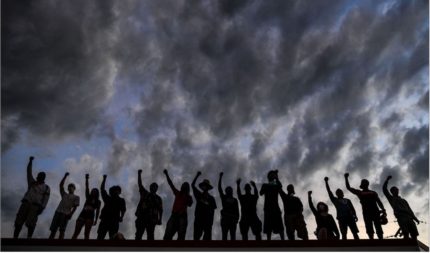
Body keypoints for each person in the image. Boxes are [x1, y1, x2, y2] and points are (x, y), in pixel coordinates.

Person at [14, 156, 50, 239]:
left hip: (35, 206)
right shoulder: (32, 182)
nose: (41, 176)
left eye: (42, 176)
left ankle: (29, 238)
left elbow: (45, 199)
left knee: (31, 223)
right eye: (40, 175)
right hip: (26, 203)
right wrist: (30, 161)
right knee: (19, 221)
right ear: (38, 176)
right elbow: (28, 172)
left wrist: (42, 208)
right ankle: (15, 237)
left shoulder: (46, 187)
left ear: (44, 178)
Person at [344, 173, 386, 239]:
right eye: (363, 183)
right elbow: (348, 188)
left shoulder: (373, 192)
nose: (364, 184)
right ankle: (371, 241)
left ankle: (380, 240)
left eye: (365, 183)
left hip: (375, 211)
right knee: (369, 227)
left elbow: (379, 202)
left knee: (378, 227)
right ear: (362, 185)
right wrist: (346, 178)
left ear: (367, 184)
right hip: (367, 213)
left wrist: (383, 209)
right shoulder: (360, 192)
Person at [383, 175, 419, 240]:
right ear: (392, 192)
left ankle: (415, 247)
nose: (397, 191)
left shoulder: (404, 200)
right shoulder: (391, 199)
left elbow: (410, 210)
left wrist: (415, 218)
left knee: (414, 233)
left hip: (409, 217)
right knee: (406, 233)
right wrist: (387, 180)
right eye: (395, 190)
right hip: (401, 217)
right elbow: (385, 190)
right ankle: (406, 247)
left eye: (397, 190)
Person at [163, 169, 193, 240]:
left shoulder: (188, 197)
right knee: (168, 233)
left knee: (181, 235)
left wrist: (187, 198)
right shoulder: (178, 193)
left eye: (186, 186)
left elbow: (190, 204)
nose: (184, 187)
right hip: (174, 215)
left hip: (182, 216)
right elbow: (171, 184)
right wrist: (167, 174)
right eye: (184, 186)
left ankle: (179, 248)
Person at [49, 172, 80, 239]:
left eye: (72, 187)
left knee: (62, 230)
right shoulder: (64, 194)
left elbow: (75, 207)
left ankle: (61, 244)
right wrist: (65, 176)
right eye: (69, 187)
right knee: (53, 229)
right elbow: (61, 185)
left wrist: (71, 214)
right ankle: (50, 243)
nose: (70, 188)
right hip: (58, 212)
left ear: (74, 188)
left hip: (65, 214)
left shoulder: (76, 197)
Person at [135, 169, 163, 240]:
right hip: (142, 217)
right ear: (150, 187)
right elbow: (140, 184)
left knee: (150, 235)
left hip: (152, 219)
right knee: (139, 234)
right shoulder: (145, 193)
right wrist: (139, 174)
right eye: (152, 186)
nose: (153, 188)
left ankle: (150, 250)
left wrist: (160, 219)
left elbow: (161, 209)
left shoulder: (158, 198)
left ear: (157, 189)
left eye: (155, 187)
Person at [71, 173, 101, 240]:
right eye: (93, 191)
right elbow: (87, 187)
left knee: (86, 233)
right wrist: (87, 179)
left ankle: (86, 248)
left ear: (97, 193)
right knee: (76, 232)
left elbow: (98, 210)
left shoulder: (98, 201)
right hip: (83, 214)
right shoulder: (88, 197)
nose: (93, 192)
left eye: (95, 191)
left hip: (90, 216)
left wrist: (96, 219)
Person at [97, 175, 126, 240]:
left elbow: (123, 209)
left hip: (114, 221)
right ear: (111, 192)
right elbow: (102, 189)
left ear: (119, 192)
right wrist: (104, 179)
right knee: (100, 237)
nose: (116, 192)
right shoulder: (108, 198)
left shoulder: (121, 200)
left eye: (117, 190)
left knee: (113, 238)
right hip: (105, 219)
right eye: (114, 190)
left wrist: (121, 217)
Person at [192, 171, 217, 240]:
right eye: (204, 185)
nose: (204, 187)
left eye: (206, 185)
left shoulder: (211, 198)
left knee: (207, 240)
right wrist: (197, 175)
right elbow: (193, 185)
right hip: (198, 219)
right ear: (202, 187)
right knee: (196, 238)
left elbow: (213, 210)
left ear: (208, 188)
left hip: (208, 221)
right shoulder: (199, 195)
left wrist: (211, 222)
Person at [260, 170, 284, 240]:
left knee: (280, 226)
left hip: (276, 208)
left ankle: (283, 241)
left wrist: (276, 177)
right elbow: (261, 193)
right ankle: (269, 241)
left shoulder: (276, 184)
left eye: (273, 175)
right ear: (268, 177)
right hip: (267, 209)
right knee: (268, 227)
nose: (272, 176)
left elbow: (280, 186)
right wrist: (266, 187)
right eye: (271, 175)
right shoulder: (265, 185)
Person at [218, 172, 239, 240]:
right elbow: (219, 189)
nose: (229, 191)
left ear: (232, 191)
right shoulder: (224, 198)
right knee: (224, 236)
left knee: (233, 237)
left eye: (230, 190)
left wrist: (237, 219)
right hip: (225, 219)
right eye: (228, 190)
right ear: (226, 191)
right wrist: (220, 177)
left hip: (233, 220)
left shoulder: (235, 200)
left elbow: (237, 210)